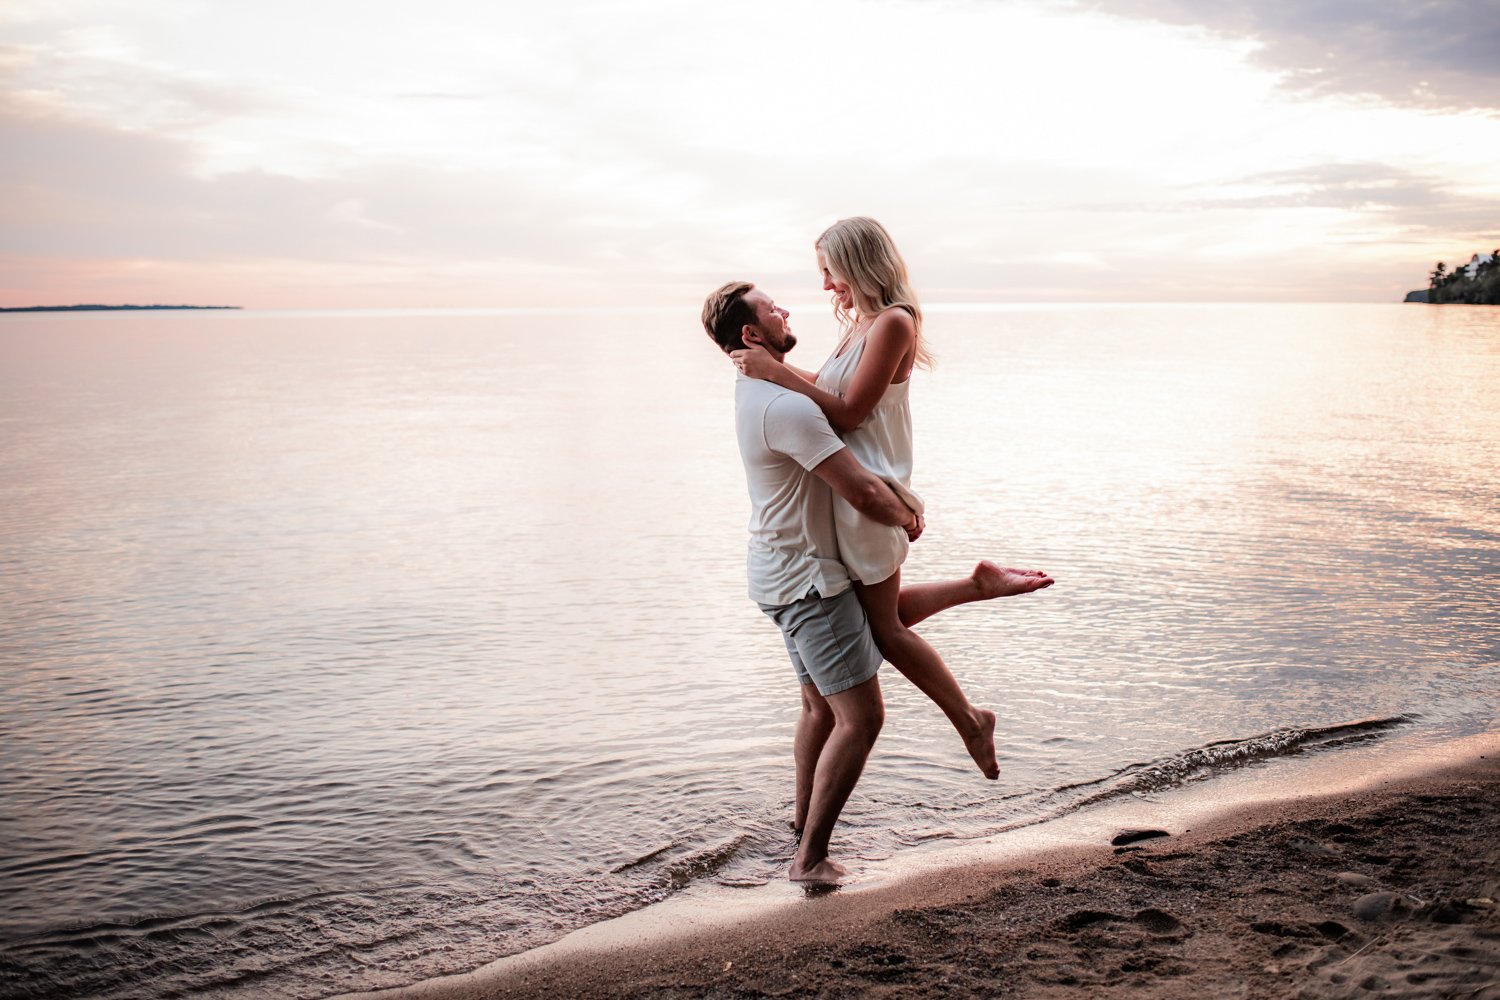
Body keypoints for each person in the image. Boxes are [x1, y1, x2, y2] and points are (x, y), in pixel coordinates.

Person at [731, 217, 1053, 781]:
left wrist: (777, 373)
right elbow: (834, 394)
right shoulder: (862, 325)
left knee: (883, 629)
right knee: (869, 620)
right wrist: (777, 372)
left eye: (829, 271)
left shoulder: (894, 323)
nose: (827, 286)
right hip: (853, 498)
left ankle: (971, 718)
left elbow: (851, 413)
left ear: (857, 263)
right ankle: (978, 586)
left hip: (872, 493)